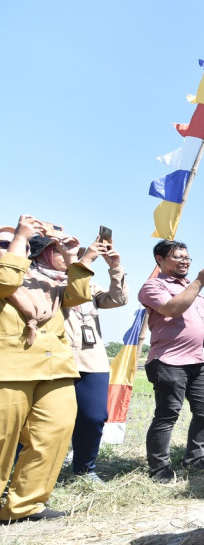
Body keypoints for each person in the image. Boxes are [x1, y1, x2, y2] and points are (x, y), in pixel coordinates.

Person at [0, 216, 99, 523]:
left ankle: (25, 505)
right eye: (5, 243)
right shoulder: (10, 274)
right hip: (8, 368)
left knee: (53, 433)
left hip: (54, 366)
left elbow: (79, 295)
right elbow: (5, 282)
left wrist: (72, 257)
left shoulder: (42, 279)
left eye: (23, 244)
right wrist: (19, 237)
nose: (14, 247)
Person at [138, 240, 204, 483]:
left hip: (200, 361)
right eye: (177, 256)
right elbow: (171, 309)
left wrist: (195, 285)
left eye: (187, 257)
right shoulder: (153, 286)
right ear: (159, 259)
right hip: (169, 361)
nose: (184, 261)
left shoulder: (191, 289)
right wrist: (198, 282)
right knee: (167, 414)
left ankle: (194, 459)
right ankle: (159, 468)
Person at [65, 238, 129, 482]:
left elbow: (119, 298)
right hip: (57, 360)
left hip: (91, 360)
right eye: (69, 255)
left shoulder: (90, 287)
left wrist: (115, 267)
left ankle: (85, 469)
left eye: (80, 255)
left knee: (93, 417)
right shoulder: (47, 283)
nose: (75, 259)